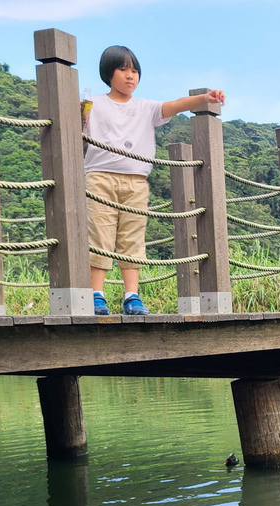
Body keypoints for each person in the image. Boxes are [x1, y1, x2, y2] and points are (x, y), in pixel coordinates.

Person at [84, 45, 225, 315]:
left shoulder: (145, 107)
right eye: (123, 69)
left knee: (132, 237)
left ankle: (132, 296)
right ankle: (96, 294)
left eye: (135, 71)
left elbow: (176, 105)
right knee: (99, 236)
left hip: (137, 181)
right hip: (100, 178)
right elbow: (78, 134)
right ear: (107, 73)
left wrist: (206, 98)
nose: (130, 76)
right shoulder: (94, 104)